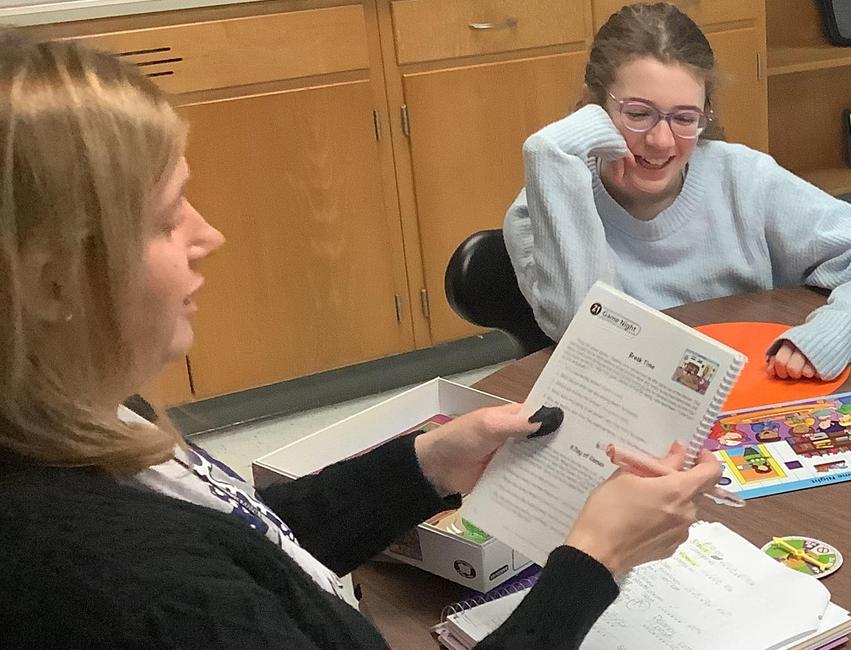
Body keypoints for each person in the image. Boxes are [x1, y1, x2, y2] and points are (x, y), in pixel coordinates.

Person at [0, 31, 723, 648]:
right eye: (164, 219)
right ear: (54, 281)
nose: (207, 235)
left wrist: (425, 466)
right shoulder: (118, 580)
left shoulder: (73, 415)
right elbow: (206, 583)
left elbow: (251, 544)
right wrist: (593, 561)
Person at [505, 3, 851, 382]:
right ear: (591, 111)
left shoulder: (742, 178)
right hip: (631, 416)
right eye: (637, 113)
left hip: (756, 391)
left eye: (684, 118)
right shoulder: (541, 207)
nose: (660, 141)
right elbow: (586, 332)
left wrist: (840, 326)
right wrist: (550, 154)